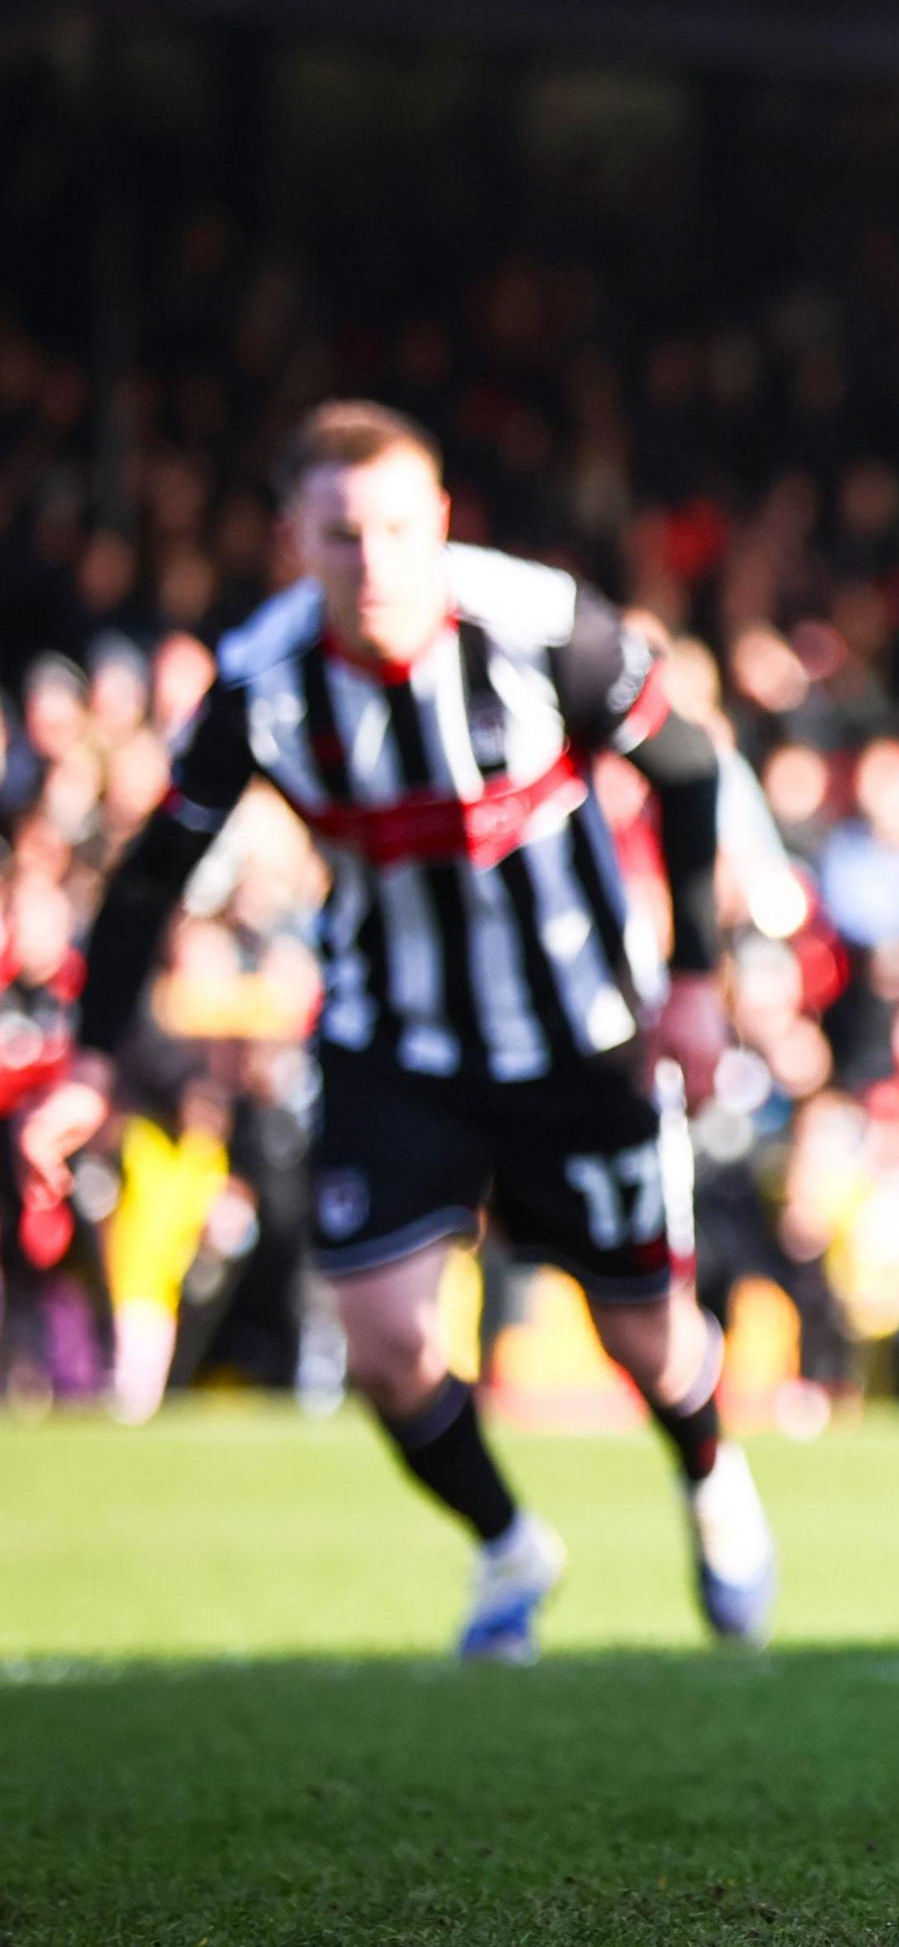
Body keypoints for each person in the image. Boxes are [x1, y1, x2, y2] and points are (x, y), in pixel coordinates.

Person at [19, 401, 776, 1661]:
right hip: (396, 1042)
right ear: (291, 541)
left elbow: (689, 766)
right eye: (338, 534)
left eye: (392, 529)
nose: (369, 560)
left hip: (579, 1037)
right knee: (384, 1334)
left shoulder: (542, 628)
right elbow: (152, 875)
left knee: (646, 1335)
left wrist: (694, 978)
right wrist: (93, 1059)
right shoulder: (262, 684)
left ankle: (709, 1477)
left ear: (438, 528)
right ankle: (508, 1545)